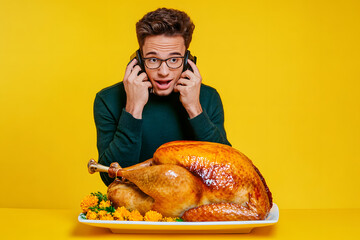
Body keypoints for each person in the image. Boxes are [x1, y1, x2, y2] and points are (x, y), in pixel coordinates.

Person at [94, 8, 231, 186]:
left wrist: (195, 109)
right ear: (139, 60)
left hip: (193, 208)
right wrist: (133, 109)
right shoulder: (108, 100)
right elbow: (110, 178)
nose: (163, 72)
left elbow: (226, 171)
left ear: (188, 60)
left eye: (174, 60)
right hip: (133, 210)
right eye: (153, 59)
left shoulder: (208, 97)